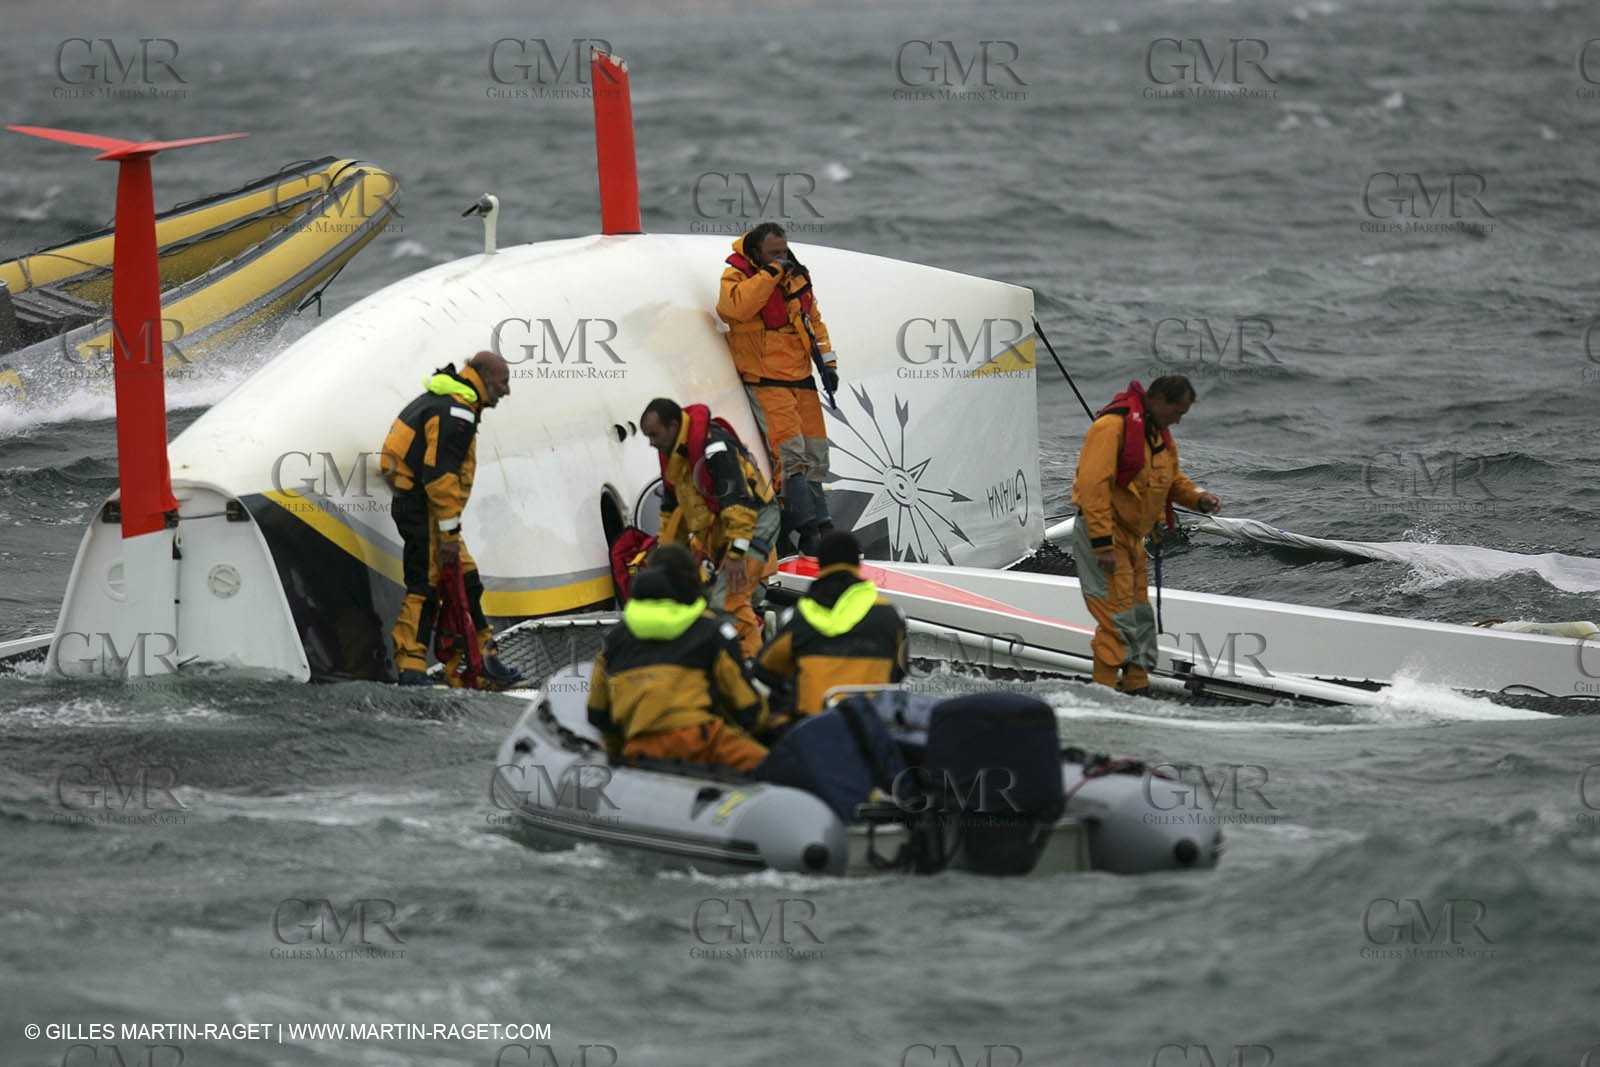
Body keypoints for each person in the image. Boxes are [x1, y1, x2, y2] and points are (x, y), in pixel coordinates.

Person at [1070, 374, 1221, 695]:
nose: (1178, 421)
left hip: (1133, 539)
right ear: (1158, 401)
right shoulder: (1110, 428)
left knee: (1139, 616)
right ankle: (1104, 695)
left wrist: (1198, 498)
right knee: (1116, 620)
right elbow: (1092, 488)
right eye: (1177, 412)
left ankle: (1137, 689)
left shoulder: (1158, 434)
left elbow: (1173, 480)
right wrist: (1102, 544)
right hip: (1105, 537)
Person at [380, 350, 520, 688]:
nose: (507, 391)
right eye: (503, 382)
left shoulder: (449, 401)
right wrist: (450, 536)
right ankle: (411, 666)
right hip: (422, 507)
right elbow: (440, 479)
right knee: (426, 584)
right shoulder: (456, 413)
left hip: (428, 508)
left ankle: (481, 659)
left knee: (467, 581)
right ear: (484, 378)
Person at [716, 222, 837, 555]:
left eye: (783, 251)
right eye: (773, 253)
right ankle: (805, 529)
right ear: (756, 253)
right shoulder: (736, 278)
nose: (782, 258)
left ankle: (824, 523)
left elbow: (815, 321)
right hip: (767, 380)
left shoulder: (797, 277)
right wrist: (771, 273)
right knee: (791, 455)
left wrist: (829, 364)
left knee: (815, 451)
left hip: (803, 378)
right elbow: (734, 309)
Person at [586, 565, 769, 772]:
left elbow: (597, 712)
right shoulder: (707, 631)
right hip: (701, 741)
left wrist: (617, 753)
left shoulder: (613, 641)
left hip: (640, 750)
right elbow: (744, 702)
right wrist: (764, 723)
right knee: (776, 770)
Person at [640, 397, 781, 659]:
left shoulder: (715, 448)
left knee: (729, 601)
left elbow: (738, 502)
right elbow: (672, 514)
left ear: (672, 426)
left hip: (754, 522)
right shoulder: (674, 459)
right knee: (718, 599)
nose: (651, 443)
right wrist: (664, 562)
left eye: (654, 435)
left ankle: (749, 671)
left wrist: (737, 553)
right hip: (723, 533)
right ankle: (757, 637)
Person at [756, 530, 907, 716]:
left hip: (813, 729)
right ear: (858, 563)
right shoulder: (890, 615)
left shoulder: (798, 617)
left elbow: (766, 671)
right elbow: (899, 673)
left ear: (820, 563)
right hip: (872, 728)